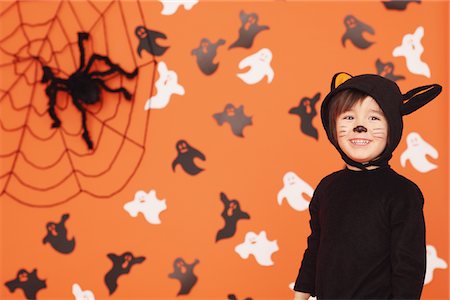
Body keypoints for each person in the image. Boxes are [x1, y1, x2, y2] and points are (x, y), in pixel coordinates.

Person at [293, 72, 442, 300]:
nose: (360, 126)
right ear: (333, 126)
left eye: (374, 118)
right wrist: (300, 295)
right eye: (349, 117)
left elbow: (408, 269)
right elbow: (315, 249)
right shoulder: (327, 188)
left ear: (392, 127)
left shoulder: (402, 193)